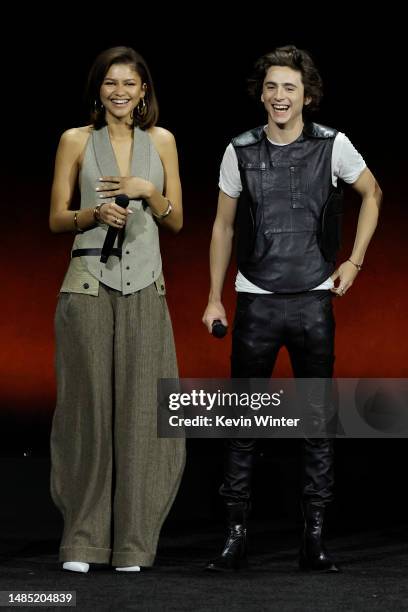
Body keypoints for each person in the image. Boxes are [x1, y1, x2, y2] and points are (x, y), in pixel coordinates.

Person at [202, 45, 382, 572]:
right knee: (242, 423)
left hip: (311, 299)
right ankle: (235, 536)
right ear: (262, 93)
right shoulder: (239, 149)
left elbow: (373, 193)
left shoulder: (334, 145)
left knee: (317, 420)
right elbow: (223, 226)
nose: (280, 96)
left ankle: (314, 537)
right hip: (256, 300)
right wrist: (214, 296)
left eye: (290, 88)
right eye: (272, 87)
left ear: (307, 95)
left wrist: (355, 262)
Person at [49, 46, 185, 573]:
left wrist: (150, 193)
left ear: (144, 89)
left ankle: (133, 544)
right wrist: (92, 213)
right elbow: (57, 219)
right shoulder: (76, 141)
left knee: (144, 415)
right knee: (87, 413)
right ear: (99, 89)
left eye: (130, 83)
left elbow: (174, 221)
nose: (120, 92)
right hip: (86, 286)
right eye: (111, 83)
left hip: (146, 287)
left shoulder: (162, 142)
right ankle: (82, 542)